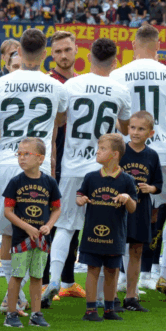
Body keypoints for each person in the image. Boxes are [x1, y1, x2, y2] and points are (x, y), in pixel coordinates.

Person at [0, 28, 68, 314]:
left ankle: (13, 295)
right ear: (44, 53)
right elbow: (59, 121)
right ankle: (22, 293)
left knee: (7, 231)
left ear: (18, 53)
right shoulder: (56, 86)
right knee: (38, 226)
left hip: (6, 161)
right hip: (40, 161)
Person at [44, 38, 130, 307]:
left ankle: (55, 280)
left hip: (73, 166)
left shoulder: (71, 85)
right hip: (106, 168)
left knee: (65, 226)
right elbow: (125, 131)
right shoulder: (120, 89)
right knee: (110, 226)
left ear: (89, 58)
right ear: (115, 62)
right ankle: (107, 293)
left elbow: (60, 120)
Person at [111, 24, 166, 298]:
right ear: (158, 47)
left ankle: (121, 276)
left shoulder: (118, 74)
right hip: (164, 149)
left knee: (124, 208)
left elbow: (118, 115)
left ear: (133, 44)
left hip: (130, 150)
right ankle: (163, 273)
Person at [76, 134, 137, 321]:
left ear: (115, 154)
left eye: (102, 149)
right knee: (92, 270)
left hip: (115, 234)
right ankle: (90, 310)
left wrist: (127, 198)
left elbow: (133, 208)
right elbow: (79, 198)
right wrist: (81, 200)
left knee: (112, 271)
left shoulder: (126, 180)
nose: (98, 151)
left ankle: (110, 309)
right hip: (92, 233)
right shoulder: (91, 177)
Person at [3, 138, 61, 328]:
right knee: (17, 275)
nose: (22, 158)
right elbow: (8, 211)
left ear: (40, 159)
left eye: (26, 154)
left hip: (42, 240)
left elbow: (56, 209)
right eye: (19, 154)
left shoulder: (49, 183)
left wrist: (49, 225)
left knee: (37, 276)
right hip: (21, 239)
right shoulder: (15, 182)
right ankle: (11, 313)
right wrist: (26, 227)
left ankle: (36, 314)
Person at [45, 31, 85, 300]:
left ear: (76, 51)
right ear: (51, 54)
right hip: (54, 157)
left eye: (67, 50)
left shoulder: (82, 84)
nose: (62, 56)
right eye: (57, 51)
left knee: (73, 221)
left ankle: (68, 280)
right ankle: (51, 280)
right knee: (56, 219)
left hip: (78, 158)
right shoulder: (48, 83)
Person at [120, 111, 162, 312]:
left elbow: (158, 184)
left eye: (141, 129)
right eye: (133, 128)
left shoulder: (152, 155)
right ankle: (106, 297)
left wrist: (150, 188)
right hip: (118, 210)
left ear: (151, 132)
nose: (135, 132)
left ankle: (131, 296)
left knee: (136, 251)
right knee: (112, 250)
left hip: (142, 208)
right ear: (127, 128)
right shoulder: (119, 151)